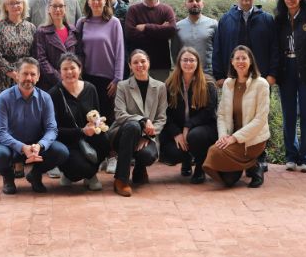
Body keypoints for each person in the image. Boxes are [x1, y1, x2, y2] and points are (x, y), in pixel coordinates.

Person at [211, 0, 279, 172]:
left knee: (259, 118)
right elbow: (218, 48)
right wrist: (218, 75)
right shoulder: (226, 20)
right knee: (235, 115)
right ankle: (236, 153)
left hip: (260, 81)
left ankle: (259, 157)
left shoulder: (266, 19)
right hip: (232, 81)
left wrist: (273, 74)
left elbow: (275, 48)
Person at [0, 57, 70, 194]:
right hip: (11, 146)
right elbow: (0, 132)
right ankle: (8, 178)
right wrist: (22, 147)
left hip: (36, 147)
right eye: (25, 73)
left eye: (33, 74)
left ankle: (35, 175)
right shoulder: (4, 98)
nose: (29, 77)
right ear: (17, 74)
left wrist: (40, 145)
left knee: (61, 151)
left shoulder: (45, 98)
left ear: (38, 77)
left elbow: (52, 129)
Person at [203, 46, 270, 188]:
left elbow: (260, 120)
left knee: (214, 152)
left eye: (244, 58)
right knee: (228, 180)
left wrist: (233, 138)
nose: (240, 61)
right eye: (237, 58)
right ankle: (249, 166)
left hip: (253, 140)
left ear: (250, 61)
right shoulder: (228, 83)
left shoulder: (261, 84)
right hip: (232, 137)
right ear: (232, 62)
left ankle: (253, 163)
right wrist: (223, 136)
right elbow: (221, 114)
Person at [75, 0, 125, 175]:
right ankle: (96, 155)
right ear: (88, 1)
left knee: (109, 118)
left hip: (109, 79)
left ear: (105, 1)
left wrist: (118, 78)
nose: (96, 2)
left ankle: (112, 155)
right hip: (87, 79)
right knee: (90, 119)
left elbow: (120, 51)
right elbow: (78, 52)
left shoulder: (113, 23)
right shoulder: (82, 22)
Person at [0, 0, 36, 178]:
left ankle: (25, 157)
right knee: (8, 120)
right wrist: (12, 72)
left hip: (26, 78)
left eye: (19, 3)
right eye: (11, 3)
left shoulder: (31, 27)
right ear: (5, 7)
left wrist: (25, 74)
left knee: (25, 118)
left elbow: (34, 53)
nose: (16, 6)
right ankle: (14, 161)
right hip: (4, 77)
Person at [108, 49, 167, 197]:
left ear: (149, 63)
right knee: (133, 126)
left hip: (148, 136)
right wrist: (143, 120)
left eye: (143, 61)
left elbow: (161, 118)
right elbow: (120, 115)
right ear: (130, 66)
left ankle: (140, 169)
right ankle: (121, 179)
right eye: (135, 62)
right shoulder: (122, 86)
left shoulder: (160, 87)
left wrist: (147, 136)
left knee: (148, 155)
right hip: (121, 134)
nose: (139, 65)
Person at [275, 0, 306, 173]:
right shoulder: (279, 21)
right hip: (287, 69)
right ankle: (291, 155)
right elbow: (275, 48)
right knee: (289, 113)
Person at [48, 53, 110, 191]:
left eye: (73, 68)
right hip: (68, 142)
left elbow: (96, 115)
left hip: (90, 138)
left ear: (80, 69)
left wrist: (96, 125)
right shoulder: (54, 94)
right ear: (59, 72)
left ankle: (90, 174)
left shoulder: (90, 88)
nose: (69, 72)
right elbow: (54, 130)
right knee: (78, 170)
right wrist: (81, 131)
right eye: (65, 69)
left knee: (106, 139)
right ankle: (73, 173)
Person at [161, 47, 218, 184]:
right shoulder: (169, 84)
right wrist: (176, 133)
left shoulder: (208, 83)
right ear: (179, 62)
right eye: (185, 60)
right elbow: (165, 112)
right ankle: (186, 160)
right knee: (170, 152)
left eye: (192, 60)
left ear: (198, 63)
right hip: (179, 128)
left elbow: (209, 111)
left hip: (203, 126)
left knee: (195, 136)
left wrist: (188, 125)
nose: (188, 63)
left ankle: (200, 167)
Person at [124, 0, 177, 82]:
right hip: (138, 65)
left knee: (160, 97)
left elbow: (171, 31)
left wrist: (145, 27)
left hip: (161, 65)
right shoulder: (133, 10)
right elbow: (130, 34)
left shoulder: (167, 10)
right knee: (138, 98)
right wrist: (160, 30)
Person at [35, 0, 79, 91]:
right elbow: (41, 59)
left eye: (61, 6)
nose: (58, 9)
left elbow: (80, 55)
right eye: (54, 6)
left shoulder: (73, 31)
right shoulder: (42, 31)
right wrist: (60, 79)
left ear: (65, 9)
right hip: (50, 84)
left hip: (72, 81)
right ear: (48, 9)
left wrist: (74, 75)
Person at [171, 0, 218, 76]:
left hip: (208, 74)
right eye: (190, 1)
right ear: (185, 5)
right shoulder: (177, 27)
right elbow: (175, 53)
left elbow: (218, 50)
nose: (194, 3)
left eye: (197, 0)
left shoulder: (213, 24)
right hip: (186, 74)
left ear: (203, 4)